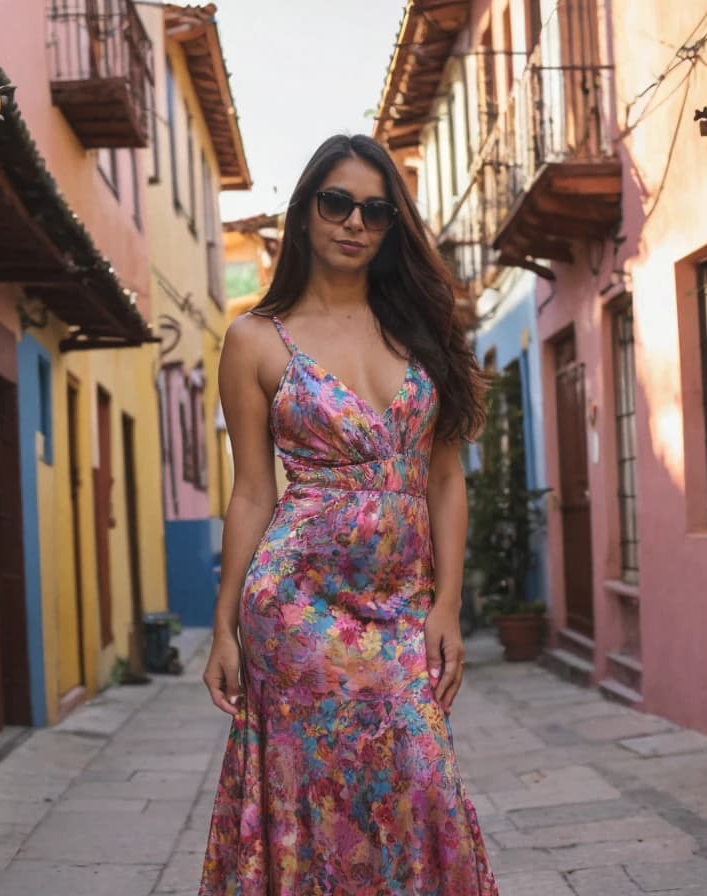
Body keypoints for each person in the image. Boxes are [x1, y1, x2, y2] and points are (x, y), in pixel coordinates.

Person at [199, 134, 499, 895]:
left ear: (391, 227)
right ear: (304, 215)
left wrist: (449, 606)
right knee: (316, 799)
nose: (354, 222)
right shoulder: (255, 339)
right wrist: (223, 624)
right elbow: (253, 492)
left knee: (421, 777)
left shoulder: (421, 332)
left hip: (402, 610)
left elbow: (444, 478)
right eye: (337, 202)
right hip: (298, 611)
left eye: (374, 210)